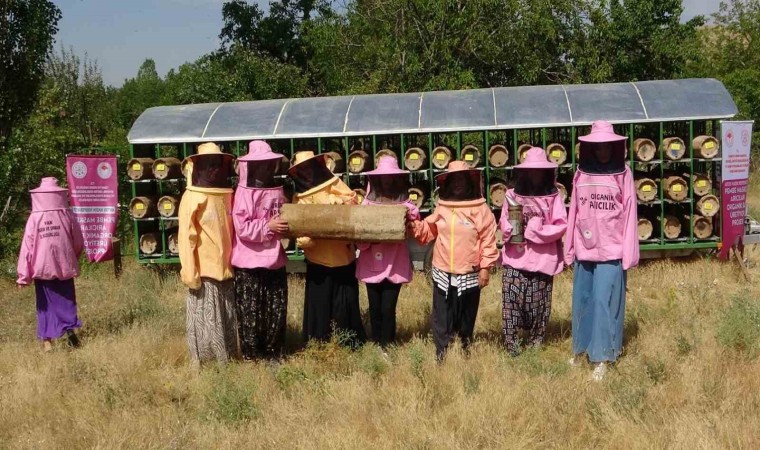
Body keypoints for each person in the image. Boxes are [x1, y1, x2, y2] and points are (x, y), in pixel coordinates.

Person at [565, 120, 639, 381]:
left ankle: (603, 356)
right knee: (582, 300)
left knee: (604, 301)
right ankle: (581, 350)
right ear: (591, 148)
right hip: (585, 247)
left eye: (607, 146)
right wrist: (569, 247)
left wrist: (629, 254)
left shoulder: (624, 174)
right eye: (599, 146)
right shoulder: (581, 173)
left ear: (615, 147)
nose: (603, 150)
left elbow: (630, 212)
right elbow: (574, 211)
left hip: (611, 249)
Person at [410, 161, 498, 361]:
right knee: (442, 315)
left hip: (469, 272)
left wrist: (485, 268)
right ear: (448, 182)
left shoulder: (480, 209)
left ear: (468, 181)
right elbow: (428, 231)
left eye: (461, 179)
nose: (458, 184)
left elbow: (488, 239)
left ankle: (464, 350)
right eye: (454, 180)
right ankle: (442, 354)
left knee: (466, 315)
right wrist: (413, 225)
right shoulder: (443, 207)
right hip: (442, 270)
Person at [288, 151, 366, 347]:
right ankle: (318, 343)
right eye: (303, 169)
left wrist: (336, 202)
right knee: (319, 304)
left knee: (345, 303)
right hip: (318, 259)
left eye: (309, 167)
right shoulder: (299, 196)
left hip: (343, 255)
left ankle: (349, 342)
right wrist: (304, 239)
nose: (307, 172)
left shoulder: (334, 182)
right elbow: (298, 224)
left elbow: (353, 199)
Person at [499, 147, 567, 356]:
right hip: (515, 258)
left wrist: (537, 231)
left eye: (539, 170)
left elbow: (560, 225)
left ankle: (534, 346)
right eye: (531, 170)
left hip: (542, 260)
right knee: (510, 301)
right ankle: (512, 347)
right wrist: (511, 228)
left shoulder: (554, 196)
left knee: (539, 306)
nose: (535, 174)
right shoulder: (511, 194)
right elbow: (503, 220)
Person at [178, 142, 240, 367]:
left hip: (227, 270)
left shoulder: (227, 195)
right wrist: (190, 274)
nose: (214, 169)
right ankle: (206, 363)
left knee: (226, 318)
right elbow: (186, 238)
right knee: (206, 320)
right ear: (199, 167)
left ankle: (227, 361)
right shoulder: (192, 197)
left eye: (217, 164)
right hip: (204, 272)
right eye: (209, 164)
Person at [231, 140, 290, 360]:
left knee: (275, 308)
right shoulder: (243, 192)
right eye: (261, 164)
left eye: (268, 164)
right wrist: (268, 226)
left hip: (274, 259)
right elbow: (242, 227)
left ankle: (274, 352)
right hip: (249, 262)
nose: (266, 168)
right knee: (251, 311)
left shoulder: (278, 190)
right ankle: (252, 355)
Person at [355, 156, 420, 350]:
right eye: (383, 177)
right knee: (375, 307)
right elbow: (359, 234)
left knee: (388, 307)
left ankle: (388, 344)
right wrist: (369, 240)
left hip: (395, 263)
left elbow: (415, 215)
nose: (387, 181)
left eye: (390, 177)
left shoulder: (405, 203)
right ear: (377, 179)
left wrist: (408, 216)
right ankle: (377, 343)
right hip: (371, 263)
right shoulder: (367, 204)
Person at [17, 177, 84, 352]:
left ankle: (47, 342)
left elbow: (27, 247)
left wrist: (23, 276)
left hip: (41, 268)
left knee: (45, 303)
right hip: (64, 266)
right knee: (66, 299)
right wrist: (72, 258)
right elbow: (78, 241)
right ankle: (69, 331)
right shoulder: (68, 215)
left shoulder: (34, 218)